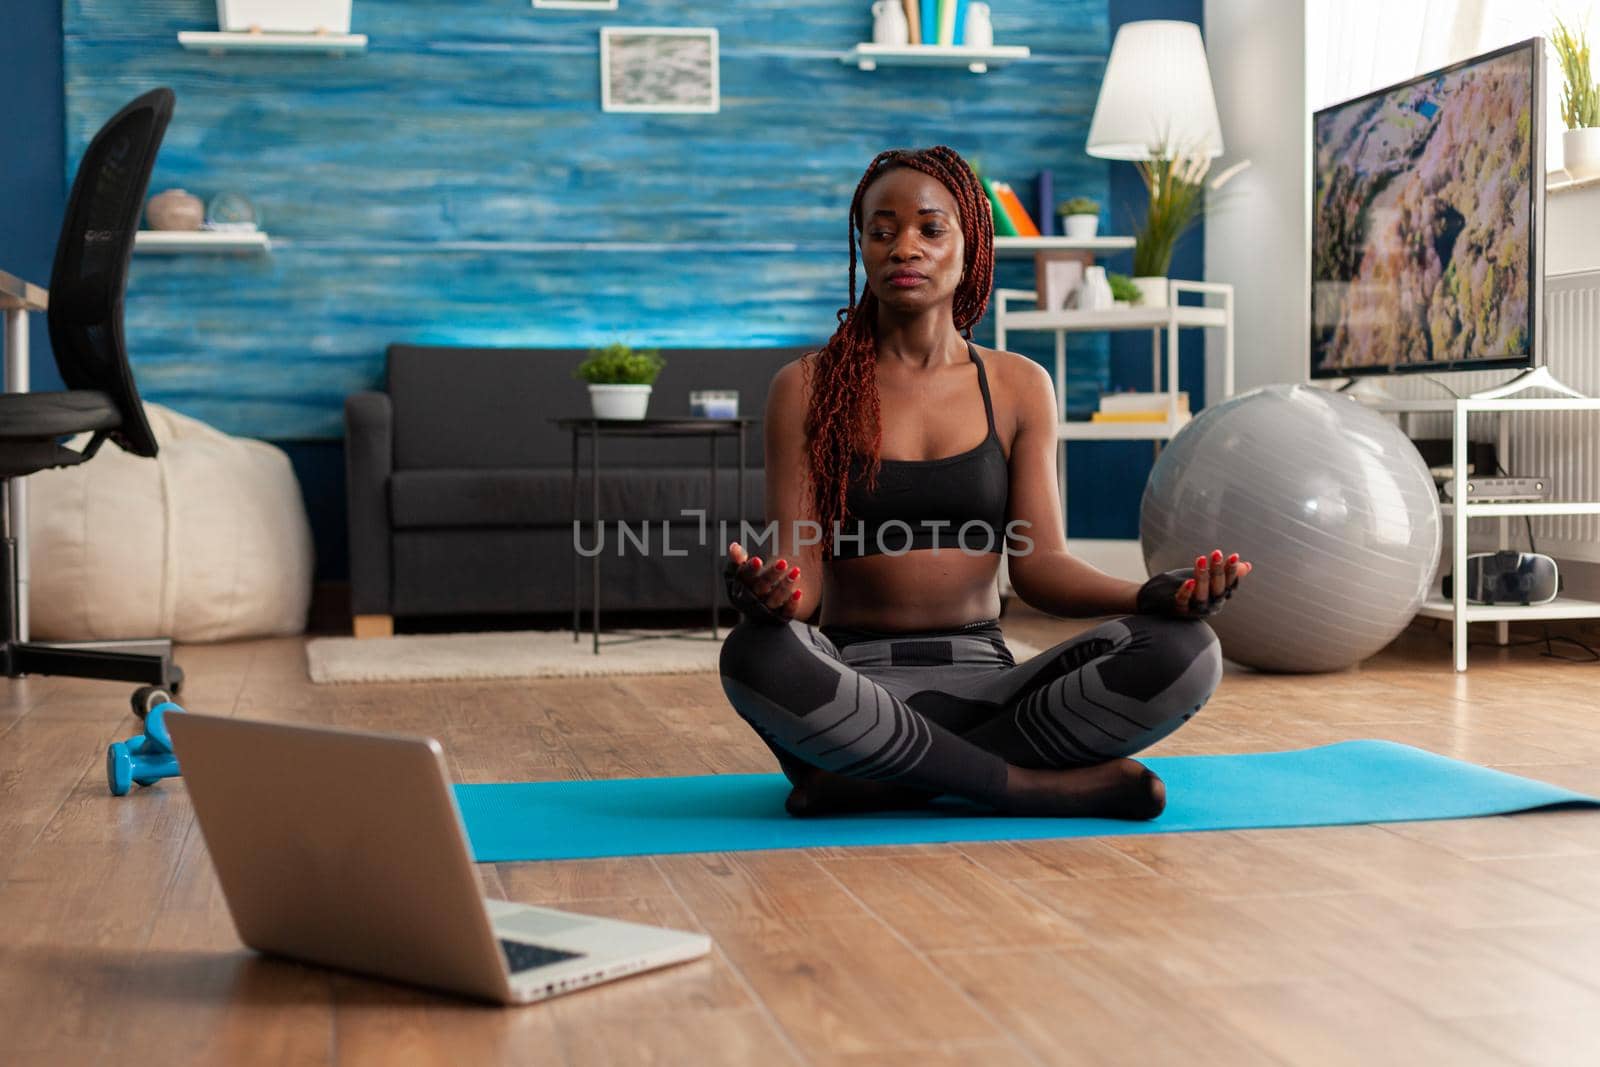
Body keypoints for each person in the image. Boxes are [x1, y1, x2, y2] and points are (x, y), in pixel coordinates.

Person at [718, 145, 1251, 821]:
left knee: (1188, 650)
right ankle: (1031, 788)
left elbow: (1041, 566)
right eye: (881, 231)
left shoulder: (1020, 385)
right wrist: (766, 597)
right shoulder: (806, 388)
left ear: (970, 248)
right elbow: (803, 579)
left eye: (929, 229)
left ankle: (880, 779)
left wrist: (1152, 594)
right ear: (862, 250)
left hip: (993, 685)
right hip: (855, 683)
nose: (903, 246)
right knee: (755, 654)